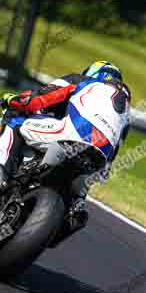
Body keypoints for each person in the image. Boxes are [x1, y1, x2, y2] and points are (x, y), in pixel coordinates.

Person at [0, 60, 131, 210]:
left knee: (16, 119)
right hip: (99, 159)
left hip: (70, 136)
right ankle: (75, 206)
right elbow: (114, 152)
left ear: (92, 73)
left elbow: (37, 100)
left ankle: (1, 172)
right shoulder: (126, 114)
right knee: (75, 205)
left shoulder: (82, 81)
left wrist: (13, 100)